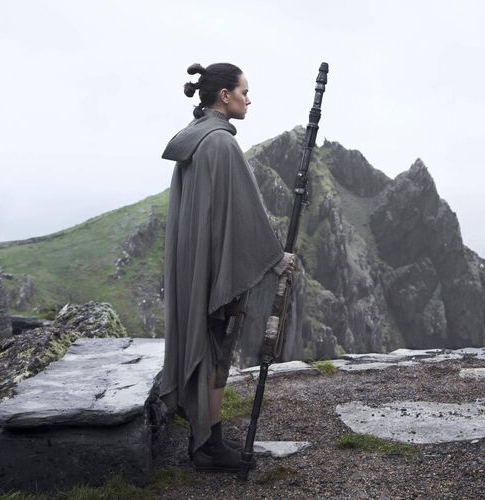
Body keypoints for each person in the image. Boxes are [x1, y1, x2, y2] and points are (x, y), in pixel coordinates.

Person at [160, 62, 293, 472]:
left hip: (199, 260)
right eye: (244, 92)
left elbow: (215, 214)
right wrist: (277, 259)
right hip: (217, 267)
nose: (249, 100)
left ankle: (209, 435)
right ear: (224, 96)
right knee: (216, 349)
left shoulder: (195, 140)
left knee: (212, 345)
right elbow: (244, 214)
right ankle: (209, 449)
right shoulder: (221, 144)